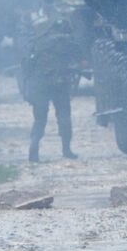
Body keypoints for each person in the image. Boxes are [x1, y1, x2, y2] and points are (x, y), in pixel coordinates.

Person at [22, 18, 82, 162]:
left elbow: (27, 66)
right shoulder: (66, 41)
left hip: (40, 85)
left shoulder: (36, 42)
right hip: (60, 84)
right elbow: (77, 57)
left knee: (39, 119)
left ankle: (34, 149)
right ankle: (66, 149)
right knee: (64, 116)